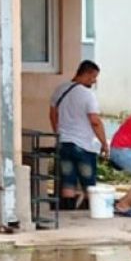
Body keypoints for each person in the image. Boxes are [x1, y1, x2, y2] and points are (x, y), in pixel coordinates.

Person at [49, 60, 108, 210]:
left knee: (68, 181)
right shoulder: (88, 95)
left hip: (63, 143)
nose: (94, 81)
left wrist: (58, 132)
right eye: (93, 77)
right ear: (86, 74)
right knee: (88, 182)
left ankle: (68, 211)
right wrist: (104, 143)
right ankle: (87, 211)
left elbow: (53, 114)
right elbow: (95, 121)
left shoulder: (60, 90)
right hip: (83, 145)